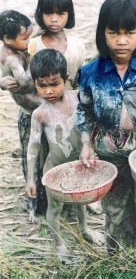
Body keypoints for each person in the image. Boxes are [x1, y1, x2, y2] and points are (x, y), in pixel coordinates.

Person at [76, 0, 136, 257]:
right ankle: (117, 257)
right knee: (116, 208)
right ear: (102, 33)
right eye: (113, 32)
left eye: (129, 32)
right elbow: (84, 111)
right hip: (109, 151)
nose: (121, 41)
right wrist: (86, 144)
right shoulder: (90, 74)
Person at [24, 49, 104, 263]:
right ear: (34, 84)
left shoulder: (80, 98)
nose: (48, 91)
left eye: (54, 83)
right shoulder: (40, 113)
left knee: (80, 200)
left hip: (80, 166)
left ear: (66, 79)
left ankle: (85, 229)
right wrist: (31, 178)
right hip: (55, 170)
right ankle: (59, 243)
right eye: (42, 85)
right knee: (55, 208)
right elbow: (33, 147)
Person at [29, 0, 102, 214]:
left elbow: (80, 80)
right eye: (48, 13)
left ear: (69, 15)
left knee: (79, 148)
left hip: (71, 107)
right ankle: (48, 198)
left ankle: (85, 195)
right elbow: (30, 80)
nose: (54, 19)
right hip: (42, 108)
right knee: (47, 154)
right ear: (40, 13)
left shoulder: (77, 46)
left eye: (60, 13)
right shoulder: (34, 44)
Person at [0, 10, 46, 220]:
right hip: (30, 109)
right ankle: (34, 204)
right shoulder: (10, 58)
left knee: (45, 154)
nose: (29, 40)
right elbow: (26, 83)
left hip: (36, 106)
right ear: (8, 39)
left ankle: (45, 196)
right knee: (32, 157)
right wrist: (33, 55)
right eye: (25, 38)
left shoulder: (15, 47)